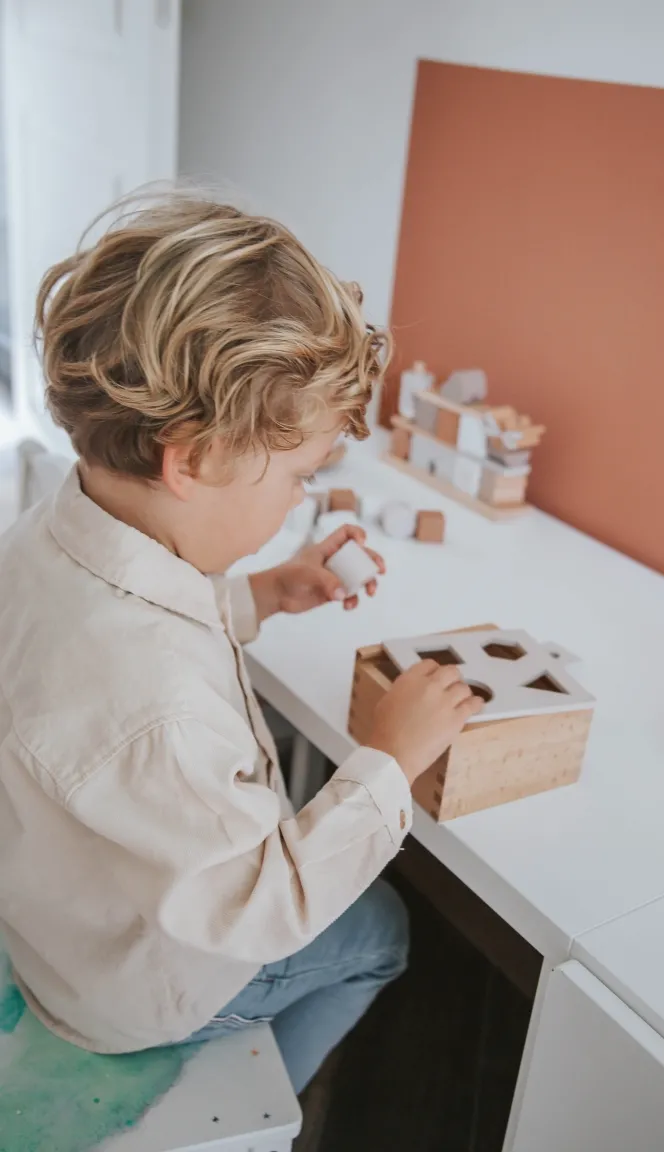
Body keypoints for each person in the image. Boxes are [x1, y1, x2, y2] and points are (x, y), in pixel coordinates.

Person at [0, 194, 482, 1093]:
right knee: (381, 932)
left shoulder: (42, 537)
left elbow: (130, 619)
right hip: (129, 990)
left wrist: (257, 593)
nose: (300, 497)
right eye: (299, 475)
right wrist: (388, 758)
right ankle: (254, 1112)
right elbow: (265, 908)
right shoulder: (161, 710)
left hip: (55, 920)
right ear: (192, 460)